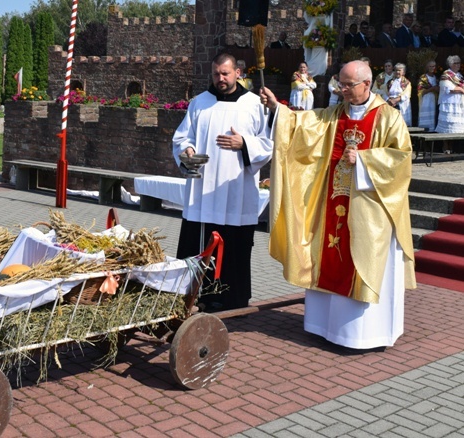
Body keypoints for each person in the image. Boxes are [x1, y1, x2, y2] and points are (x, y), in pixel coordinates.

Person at [260, 60, 416, 349]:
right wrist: (278, 110)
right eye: (340, 84)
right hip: (332, 201)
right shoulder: (335, 114)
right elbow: (305, 124)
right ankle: (324, 327)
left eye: (348, 85)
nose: (342, 90)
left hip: (370, 210)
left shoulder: (389, 117)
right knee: (328, 251)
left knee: (359, 261)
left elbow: (403, 160)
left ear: (366, 84)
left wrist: (366, 161)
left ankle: (362, 335)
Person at [172, 52, 272, 311]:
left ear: (238, 73)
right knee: (198, 246)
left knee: (235, 247)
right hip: (202, 193)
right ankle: (193, 298)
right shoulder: (199, 103)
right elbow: (182, 137)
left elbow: (268, 143)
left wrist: (244, 143)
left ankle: (234, 301)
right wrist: (187, 151)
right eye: (216, 74)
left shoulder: (254, 104)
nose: (220, 79)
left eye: (225, 73)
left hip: (236, 191)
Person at [435, 55, 464, 153]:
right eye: (455, 63)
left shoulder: (459, 76)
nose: (458, 65)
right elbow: (447, 88)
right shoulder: (446, 74)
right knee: (447, 125)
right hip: (448, 104)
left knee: (454, 126)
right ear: (450, 64)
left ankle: (451, 146)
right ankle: (445, 146)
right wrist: (460, 89)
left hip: (458, 104)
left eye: (459, 63)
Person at [417, 60, 439, 132]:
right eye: (430, 66)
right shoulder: (423, 77)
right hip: (425, 100)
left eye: (433, 66)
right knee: (425, 117)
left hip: (433, 100)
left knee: (432, 117)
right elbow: (420, 91)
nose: (432, 68)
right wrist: (432, 89)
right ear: (427, 67)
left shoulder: (436, 78)